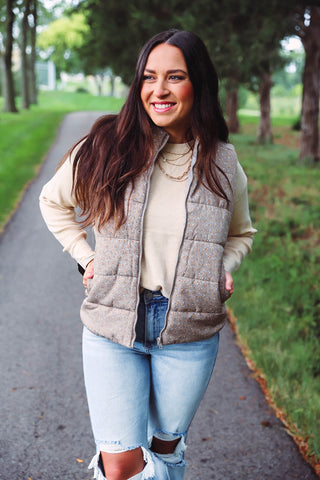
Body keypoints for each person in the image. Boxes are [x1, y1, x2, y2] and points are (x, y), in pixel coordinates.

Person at [39, 29, 256, 480]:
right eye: (148, 77)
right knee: (120, 465)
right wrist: (86, 256)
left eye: (174, 77)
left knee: (165, 449)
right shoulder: (107, 145)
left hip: (188, 332)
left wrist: (223, 266)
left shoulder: (223, 163)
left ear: (197, 84)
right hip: (111, 324)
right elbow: (52, 202)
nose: (158, 90)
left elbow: (241, 234)